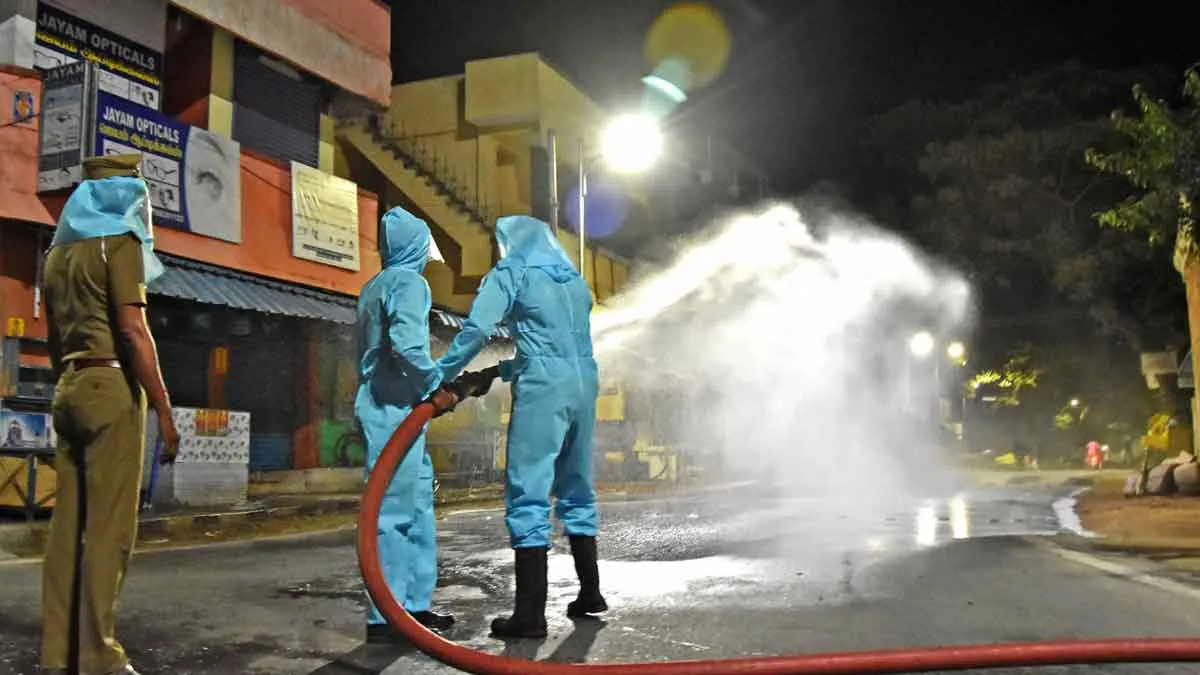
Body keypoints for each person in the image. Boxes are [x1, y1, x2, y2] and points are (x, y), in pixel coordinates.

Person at [40, 153, 181, 675]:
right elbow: (133, 331)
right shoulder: (118, 244)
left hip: (70, 386)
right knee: (109, 531)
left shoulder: (57, 254)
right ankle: (98, 656)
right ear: (121, 194)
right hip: (111, 386)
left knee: (66, 531)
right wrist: (163, 408)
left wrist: (72, 379)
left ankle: (58, 655)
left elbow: (54, 338)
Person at [437, 215, 607, 639]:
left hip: (544, 390)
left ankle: (529, 615)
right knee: (577, 487)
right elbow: (554, 350)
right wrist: (496, 372)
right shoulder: (574, 282)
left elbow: (478, 329)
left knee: (528, 490)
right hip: (584, 383)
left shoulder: (512, 272)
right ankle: (590, 593)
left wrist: (439, 374)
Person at [354, 206, 455, 642]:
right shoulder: (410, 284)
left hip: (393, 409)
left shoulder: (374, 285)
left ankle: (413, 606)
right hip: (392, 411)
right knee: (393, 512)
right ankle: (387, 615)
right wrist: (436, 386)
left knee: (416, 507)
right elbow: (408, 347)